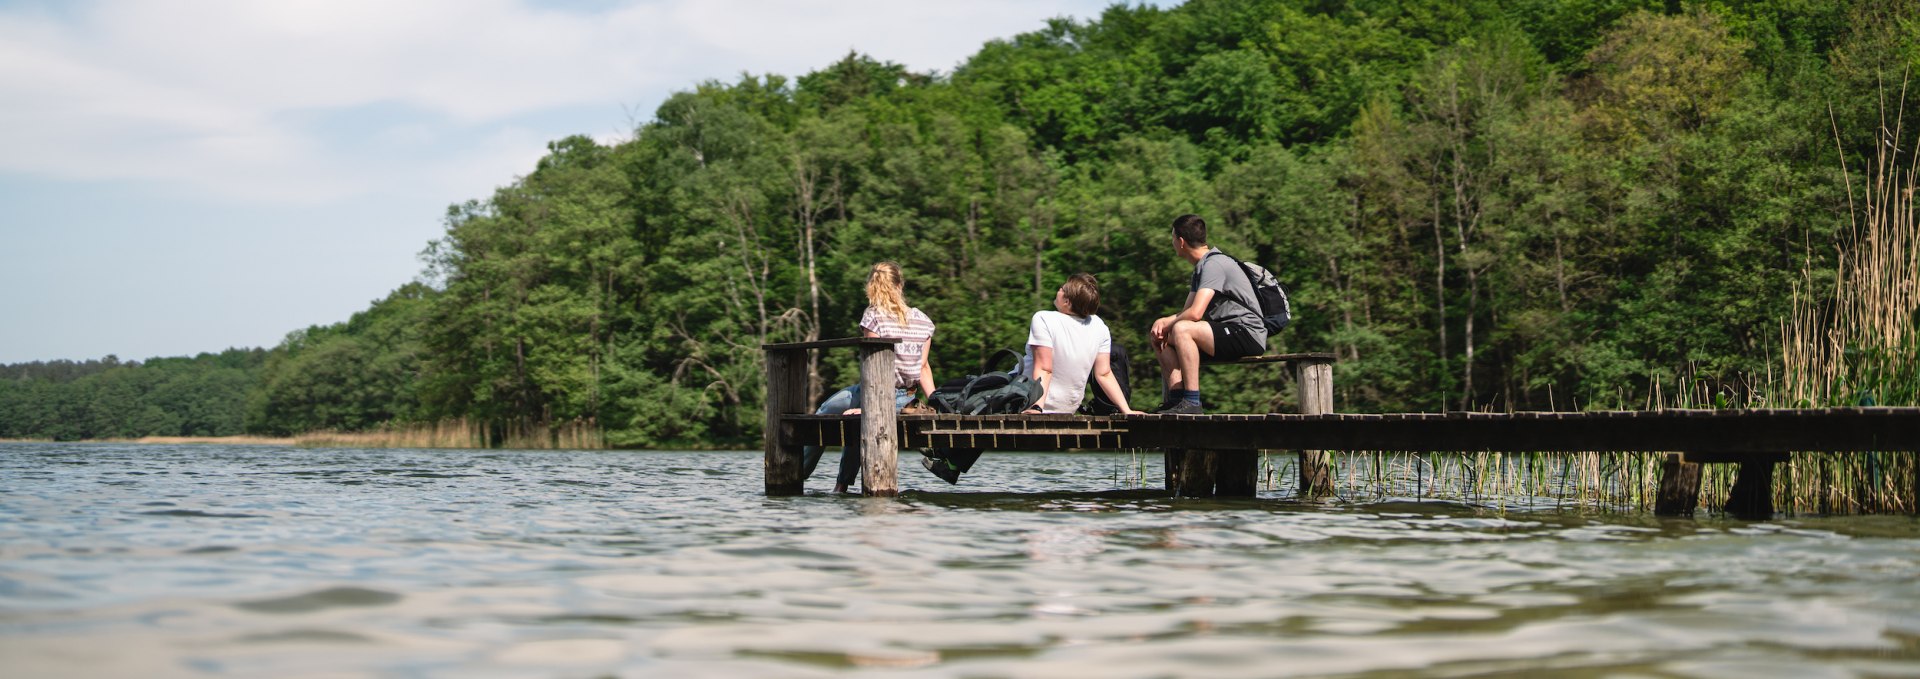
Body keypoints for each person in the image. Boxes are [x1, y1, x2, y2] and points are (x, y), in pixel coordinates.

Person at [922, 273, 1137, 484]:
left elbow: (1045, 368)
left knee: (969, 393)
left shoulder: (1044, 318)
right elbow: (1103, 373)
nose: (1059, 290)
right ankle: (946, 460)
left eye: (1062, 289)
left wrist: (1036, 407)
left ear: (1067, 302)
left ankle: (944, 455)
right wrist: (1126, 409)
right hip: (1068, 405)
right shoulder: (1098, 325)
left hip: (1032, 398)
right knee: (988, 396)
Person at [801, 262, 938, 493]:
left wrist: (870, 406)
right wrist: (936, 400)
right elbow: (923, 367)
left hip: (876, 392)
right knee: (855, 425)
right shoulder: (923, 320)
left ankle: (799, 474)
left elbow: (872, 366)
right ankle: (840, 486)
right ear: (900, 285)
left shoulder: (874, 316)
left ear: (871, 288)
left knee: (822, 416)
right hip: (907, 396)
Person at [1148, 214, 1266, 415]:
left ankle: (1192, 402)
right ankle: (1176, 399)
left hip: (1247, 332)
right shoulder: (1201, 267)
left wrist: (1171, 324)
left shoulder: (1214, 264)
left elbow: (1195, 314)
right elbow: (1187, 312)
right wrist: (1162, 323)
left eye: (1172, 238)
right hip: (1227, 331)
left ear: (1181, 241)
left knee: (1181, 329)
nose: (1172, 243)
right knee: (1163, 332)